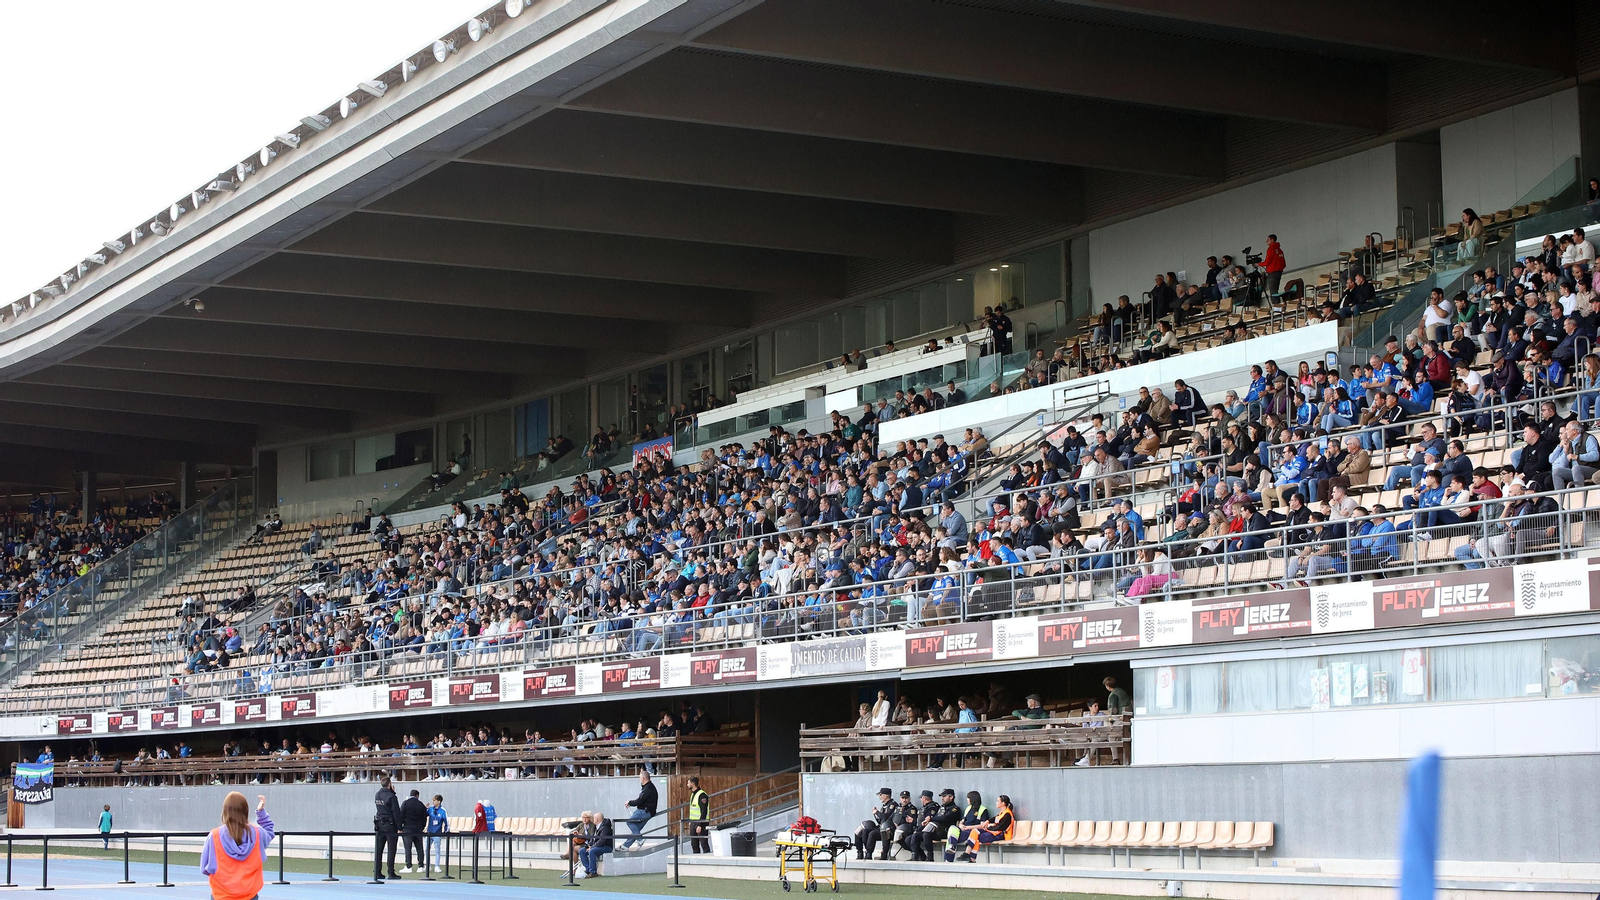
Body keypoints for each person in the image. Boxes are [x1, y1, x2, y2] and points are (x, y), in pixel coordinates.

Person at [201, 792, 273, 900]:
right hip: (250, 895)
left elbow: (205, 868)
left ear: (225, 812)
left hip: (221, 895)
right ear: (245, 811)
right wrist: (261, 812)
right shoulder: (258, 834)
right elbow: (269, 832)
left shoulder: (214, 836)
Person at [373, 775, 402, 881]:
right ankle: (391, 872)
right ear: (389, 784)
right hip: (390, 825)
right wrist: (399, 827)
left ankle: (377, 871)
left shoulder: (377, 795)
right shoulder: (391, 796)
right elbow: (396, 812)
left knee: (379, 849)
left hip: (379, 824)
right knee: (391, 849)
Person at [620, 769, 657, 850]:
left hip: (644, 811)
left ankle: (640, 839)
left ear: (643, 778)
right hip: (648, 812)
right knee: (636, 830)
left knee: (629, 822)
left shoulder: (648, 788)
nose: (639, 780)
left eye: (640, 778)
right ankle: (626, 846)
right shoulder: (649, 787)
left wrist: (629, 802)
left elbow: (640, 800)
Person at [399, 788, 428, 874]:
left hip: (407, 829)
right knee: (419, 848)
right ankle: (421, 866)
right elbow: (424, 817)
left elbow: (401, 816)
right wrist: (422, 827)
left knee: (408, 848)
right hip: (418, 829)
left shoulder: (405, 803)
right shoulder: (421, 804)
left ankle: (408, 866)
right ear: (417, 796)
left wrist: (401, 827)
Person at [579, 811, 615, 878]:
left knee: (592, 851)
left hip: (606, 847)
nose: (592, 820)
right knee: (582, 851)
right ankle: (588, 869)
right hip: (598, 846)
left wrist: (592, 847)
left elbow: (602, 841)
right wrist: (589, 845)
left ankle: (593, 872)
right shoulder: (597, 827)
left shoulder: (605, 828)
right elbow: (593, 838)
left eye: (594, 818)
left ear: (597, 820)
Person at [685, 775, 710, 854]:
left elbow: (704, 811)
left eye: (688, 783)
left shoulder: (702, 795)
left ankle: (707, 860)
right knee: (694, 844)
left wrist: (700, 825)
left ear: (692, 784)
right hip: (693, 822)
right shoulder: (693, 794)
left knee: (704, 843)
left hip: (701, 823)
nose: (687, 785)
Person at [426, 794, 450, 873]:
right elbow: (425, 814)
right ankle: (428, 865)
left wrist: (446, 830)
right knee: (426, 849)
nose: (433, 802)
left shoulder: (443, 810)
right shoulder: (430, 809)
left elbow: (446, 821)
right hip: (429, 832)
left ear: (439, 801)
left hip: (437, 833)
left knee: (437, 850)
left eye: (434, 800)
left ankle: (437, 866)